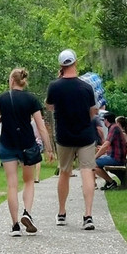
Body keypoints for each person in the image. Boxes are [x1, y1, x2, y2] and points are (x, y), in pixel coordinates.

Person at [0, 68, 51, 236]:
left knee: (12, 185)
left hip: (7, 145)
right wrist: (49, 148)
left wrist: (3, 116)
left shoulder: (2, 98)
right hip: (28, 145)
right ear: (23, 81)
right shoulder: (31, 100)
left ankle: (15, 225)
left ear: (11, 80)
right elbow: (41, 126)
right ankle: (27, 213)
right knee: (29, 181)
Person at [45, 49, 99, 230]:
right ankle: (88, 215)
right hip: (85, 136)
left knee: (64, 173)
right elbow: (93, 113)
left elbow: (50, 106)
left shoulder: (54, 86)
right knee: (87, 172)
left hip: (64, 136)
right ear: (75, 62)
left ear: (61, 66)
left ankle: (61, 212)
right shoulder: (86, 88)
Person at [95, 115, 127, 191]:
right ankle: (108, 182)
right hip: (117, 157)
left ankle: (111, 182)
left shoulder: (113, 128)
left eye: (103, 120)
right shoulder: (114, 127)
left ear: (106, 120)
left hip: (116, 159)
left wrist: (95, 156)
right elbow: (108, 145)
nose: (103, 122)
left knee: (93, 164)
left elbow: (106, 145)